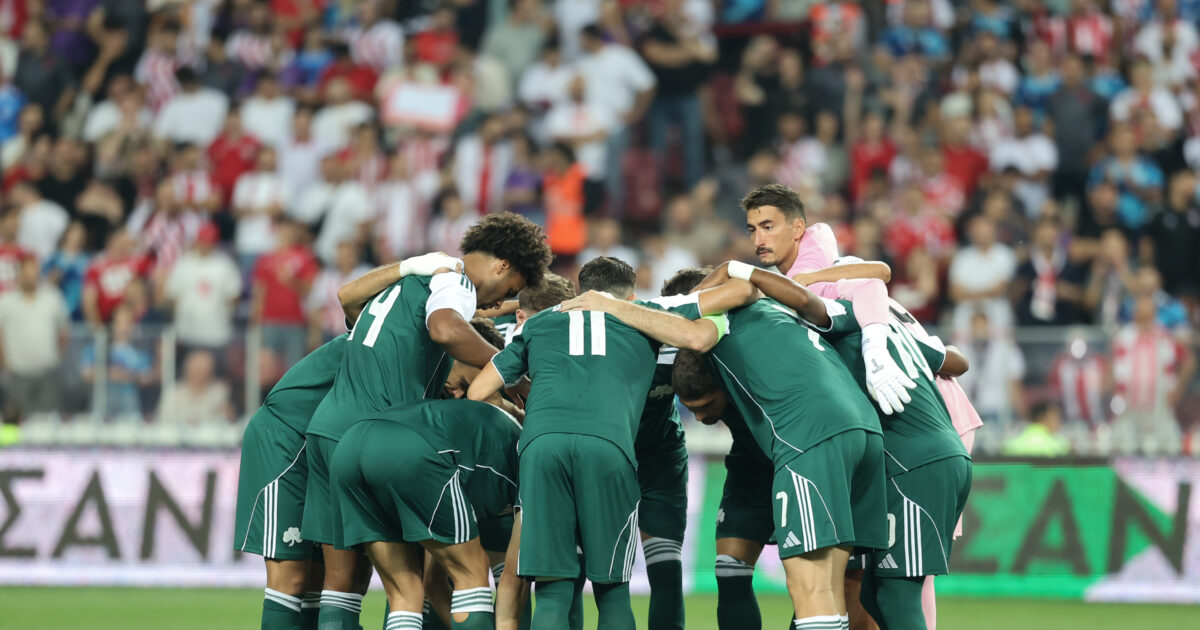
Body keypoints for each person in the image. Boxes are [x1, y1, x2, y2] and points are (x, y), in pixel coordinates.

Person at [467, 256, 745, 630]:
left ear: (580, 291)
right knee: (612, 591)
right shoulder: (644, 315)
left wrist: (527, 404)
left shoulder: (538, 323)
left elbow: (478, 391)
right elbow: (737, 293)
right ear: (630, 296)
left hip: (542, 448)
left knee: (551, 591)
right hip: (608, 448)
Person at [304, 215, 551, 630]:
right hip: (388, 431)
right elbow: (445, 329)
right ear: (502, 266)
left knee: (351, 586)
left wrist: (404, 266)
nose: (497, 303)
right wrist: (508, 372)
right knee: (449, 574)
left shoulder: (408, 282)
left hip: (330, 429)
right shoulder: (456, 281)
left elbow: (348, 299)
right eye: (509, 290)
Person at [234, 252, 462, 630]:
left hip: (334, 445)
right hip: (287, 440)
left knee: (344, 577)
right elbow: (348, 297)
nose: (458, 392)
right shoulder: (397, 342)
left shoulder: (410, 345)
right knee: (292, 578)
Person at [330, 397, 521, 630]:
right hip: (411, 447)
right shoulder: (524, 451)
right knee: (471, 572)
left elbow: (434, 582)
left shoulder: (469, 425)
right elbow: (513, 579)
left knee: (404, 594)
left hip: (349, 445)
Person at [0, 256, 68, 418]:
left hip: (47, 372)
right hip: (18, 373)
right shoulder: (6, 301)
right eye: (28, 273)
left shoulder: (52, 297)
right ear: (19, 275)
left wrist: (56, 357)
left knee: (46, 421)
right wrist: (5, 363)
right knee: (18, 419)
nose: (32, 277)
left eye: (35, 272)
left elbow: (64, 332)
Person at [156, 349, 233, 427]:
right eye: (196, 369)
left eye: (204, 370)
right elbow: (163, 418)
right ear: (187, 369)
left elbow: (225, 420)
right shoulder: (174, 391)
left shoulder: (219, 392)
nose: (199, 373)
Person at [1003, 401, 1069, 457]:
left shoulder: (1011, 445)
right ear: (1042, 418)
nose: (1059, 423)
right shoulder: (1059, 446)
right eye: (1055, 418)